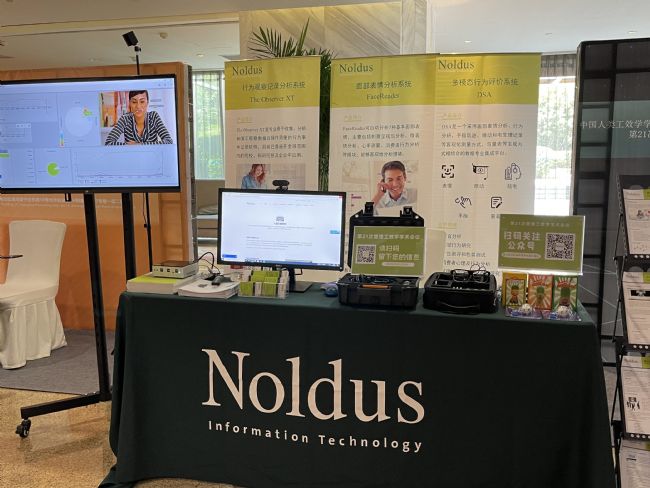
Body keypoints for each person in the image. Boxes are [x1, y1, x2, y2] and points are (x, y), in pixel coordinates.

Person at [105, 90, 173, 145]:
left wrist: (139, 145)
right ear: (130, 103)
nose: (138, 106)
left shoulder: (153, 117)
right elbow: (108, 142)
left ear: (147, 103)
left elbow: (169, 141)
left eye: (142, 102)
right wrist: (127, 146)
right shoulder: (125, 118)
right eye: (134, 102)